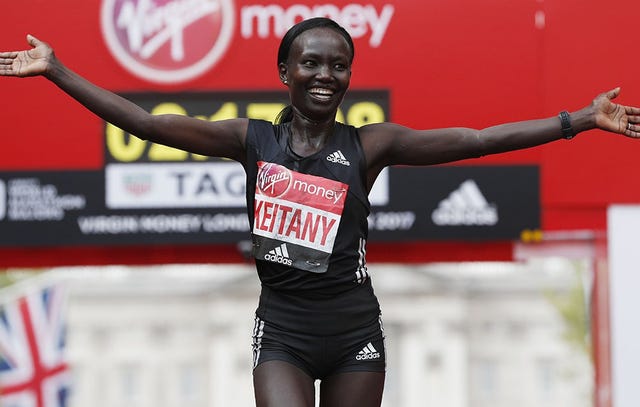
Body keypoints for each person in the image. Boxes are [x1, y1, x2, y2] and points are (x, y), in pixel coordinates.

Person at [1, 16, 638, 407]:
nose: (325, 74)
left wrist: (576, 120)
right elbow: (142, 122)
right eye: (311, 63)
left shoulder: (371, 145)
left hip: (356, 330)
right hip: (283, 331)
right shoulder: (249, 139)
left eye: (338, 65)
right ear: (285, 71)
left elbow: (475, 140)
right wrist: (58, 70)